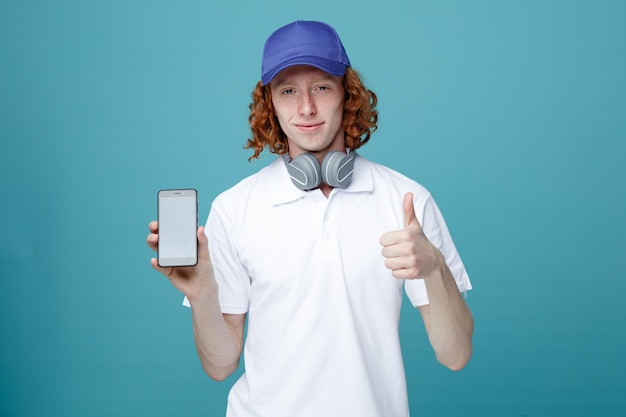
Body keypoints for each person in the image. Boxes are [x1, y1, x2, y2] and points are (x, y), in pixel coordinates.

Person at [147, 20, 474, 417]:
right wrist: (201, 296)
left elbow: (455, 355)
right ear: (271, 104)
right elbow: (220, 366)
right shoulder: (235, 208)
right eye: (288, 91)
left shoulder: (405, 200)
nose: (306, 108)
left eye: (321, 87)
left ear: (347, 95)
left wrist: (435, 268)